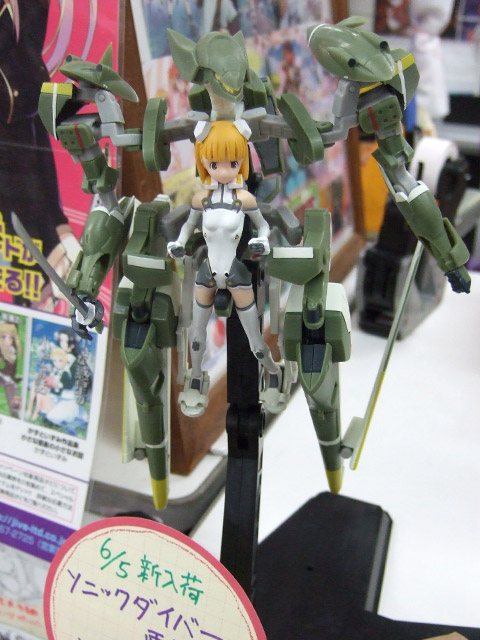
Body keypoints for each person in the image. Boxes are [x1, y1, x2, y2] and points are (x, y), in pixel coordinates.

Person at [168, 119, 281, 416]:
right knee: (196, 336)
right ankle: (195, 378)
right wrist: (179, 243)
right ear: (204, 161)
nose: (224, 170)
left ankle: (272, 371)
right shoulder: (201, 199)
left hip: (235, 273)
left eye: (233, 162)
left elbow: (263, 226)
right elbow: (188, 228)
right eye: (215, 163)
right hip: (208, 273)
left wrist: (263, 241)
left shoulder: (244, 199)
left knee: (254, 340)